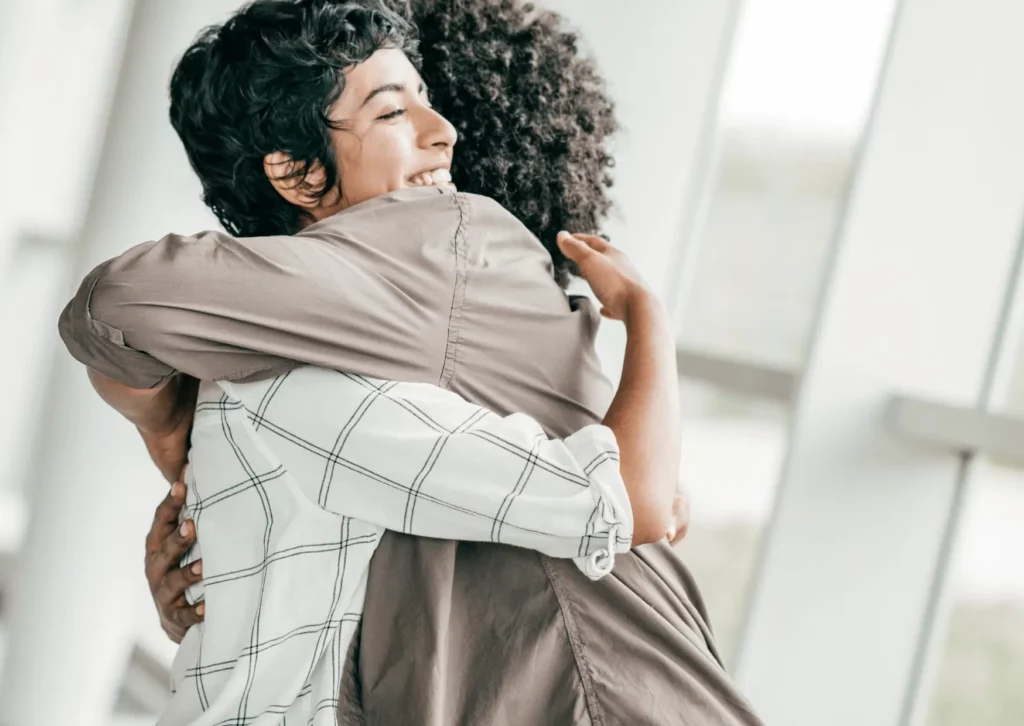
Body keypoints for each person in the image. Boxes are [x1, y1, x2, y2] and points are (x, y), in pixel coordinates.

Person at [66, 0, 763, 723]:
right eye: (397, 112)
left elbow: (115, 305)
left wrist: (170, 432)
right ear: (297, 173)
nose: (444, 134)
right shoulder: (355, 330)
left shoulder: (440, 246)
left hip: (600, 689)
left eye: (422, 102)